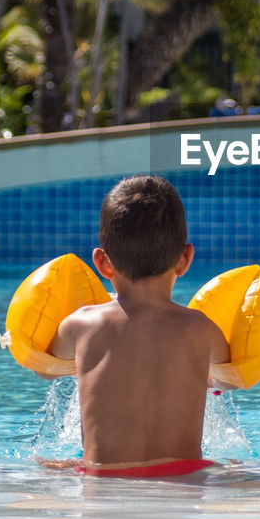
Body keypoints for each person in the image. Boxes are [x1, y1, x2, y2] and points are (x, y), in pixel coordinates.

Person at [46, 175, 232, 477]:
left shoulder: (81, 325)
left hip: (101, 479)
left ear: (102, 263)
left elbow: (45, 368)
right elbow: (229, 378)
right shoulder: (201, 329)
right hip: (185, 478)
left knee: (47, 467)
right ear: (185, 259)